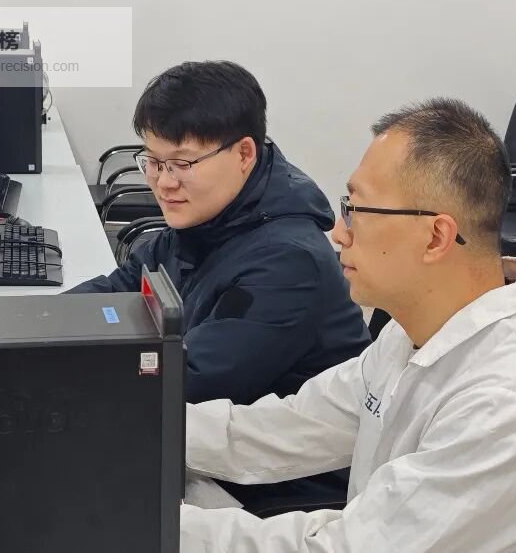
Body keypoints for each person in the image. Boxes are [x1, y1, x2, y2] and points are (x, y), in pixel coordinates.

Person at [181, 98, 516, 551]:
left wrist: (166, 527)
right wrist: (150, 427)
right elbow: (291, 427)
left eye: (357, 210)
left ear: (435, 237)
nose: (339, 232)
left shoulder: (509, 401)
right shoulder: (417, 329)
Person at [69, 61, 371, 406]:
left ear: (244, 154)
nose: (164, 182)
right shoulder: (212, 214)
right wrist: (36, 328)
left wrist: (61, 370)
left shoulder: (288, 263)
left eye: (182, 164)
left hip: (264, 436)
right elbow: (122, 288)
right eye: (153, 162)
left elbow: (189, 381)